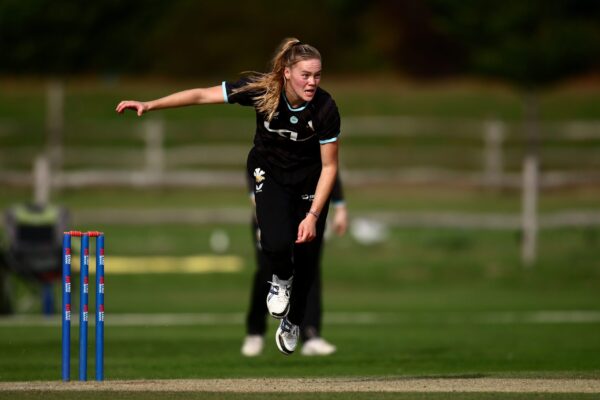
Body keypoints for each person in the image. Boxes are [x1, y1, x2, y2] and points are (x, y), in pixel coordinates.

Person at [116, 38, 341, 355]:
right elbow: (200, 94)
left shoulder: (326, 108)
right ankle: (281, 279)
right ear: (287, 72)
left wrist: (314, 215)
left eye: (317, 75)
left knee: (307, 262)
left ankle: (293, 320)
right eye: (306, 75)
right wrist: (151, 104)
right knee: (275, 243)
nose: (312, 82)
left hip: (308, 182)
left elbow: (330, 167)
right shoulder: (261, 90)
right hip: (269, 174)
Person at [242, 175, 347, 356]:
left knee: (308, 268)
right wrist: (262, 207)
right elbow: (257, 165)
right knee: (267, 270)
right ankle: (255, 332)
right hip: (272, 210)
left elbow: (328, 167)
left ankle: (310, 333)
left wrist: (340, 206)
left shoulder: (315, 148)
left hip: (305, 211)